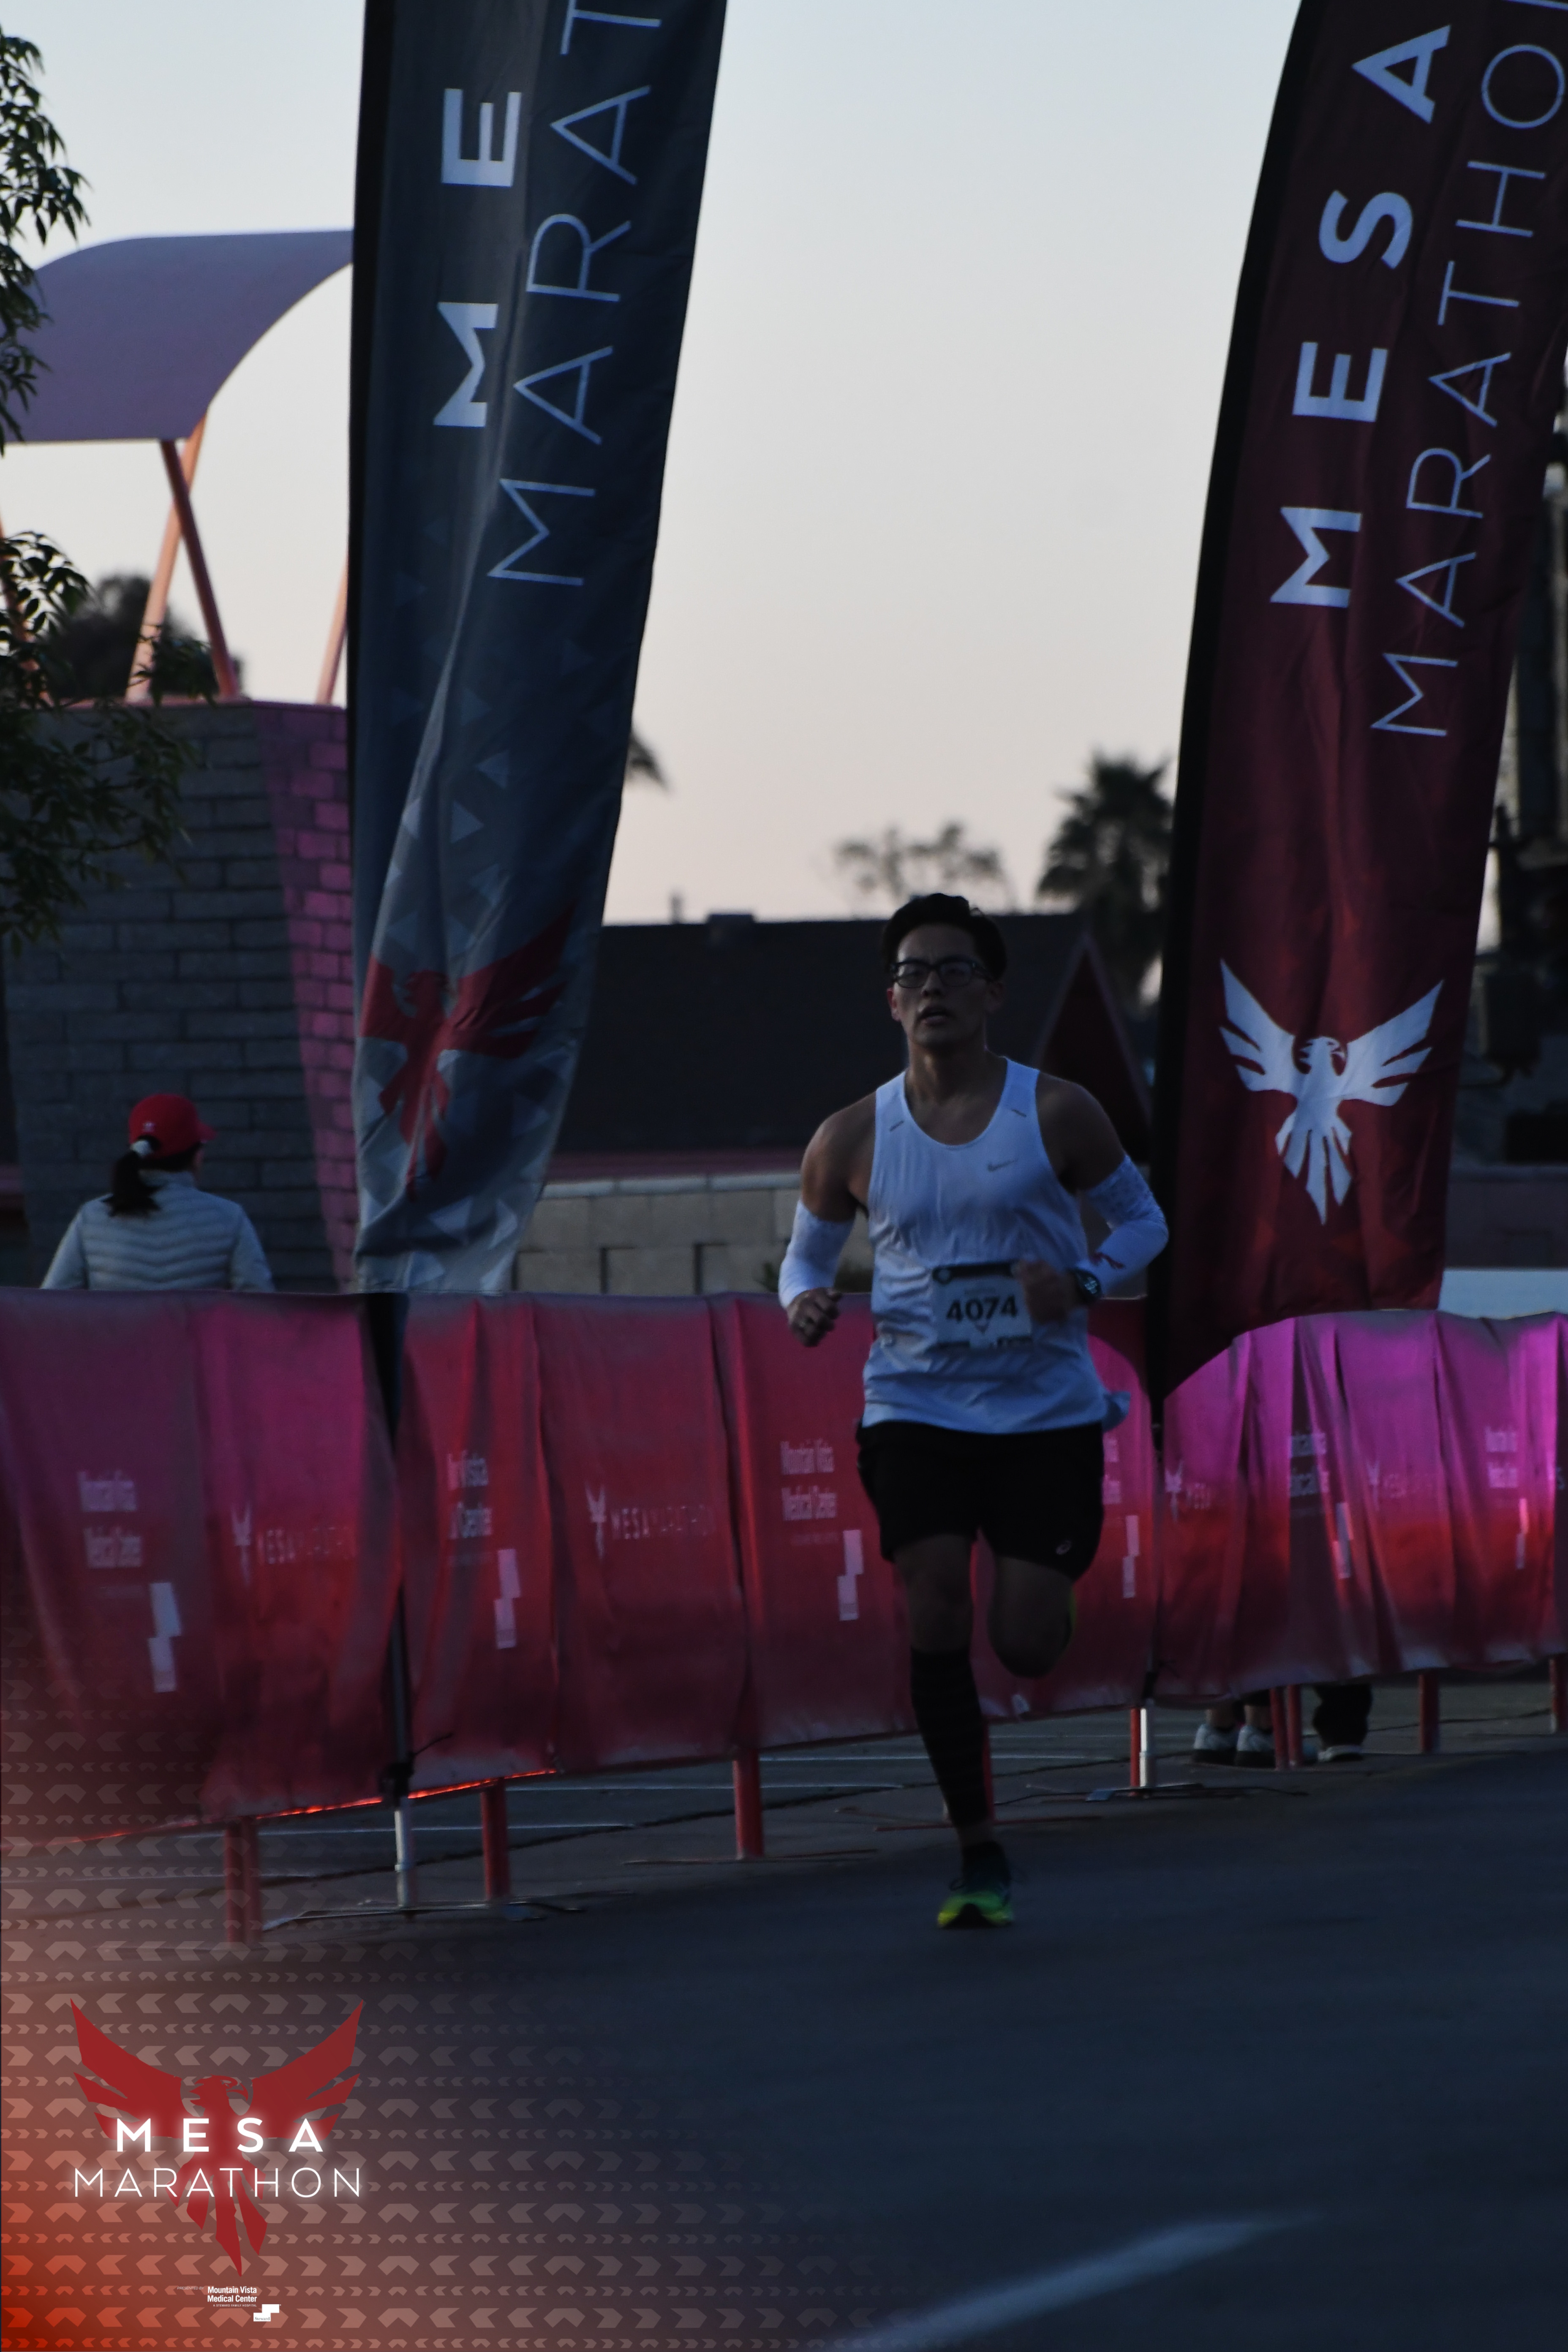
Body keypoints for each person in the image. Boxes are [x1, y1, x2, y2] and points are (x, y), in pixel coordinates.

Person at [780, 895, 1168, 1927]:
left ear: (993, 993)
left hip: (1043, 1410)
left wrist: (1081, 1281)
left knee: (1027, 1642)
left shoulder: (1057, 1113)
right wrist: (802, 1302)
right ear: (890, 1001)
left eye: (954, 971)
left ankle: (1050, 1596)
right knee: (936, 1604)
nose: (932, 989)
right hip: (913, 1404)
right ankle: (975, 1849)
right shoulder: (850, 1135)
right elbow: (804, 1258)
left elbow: (1144, 1224)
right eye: (912, 974)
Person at [43, 1093, 273, 1291]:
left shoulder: (91, 1218)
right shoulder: (229, 1218)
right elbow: (258, 1304)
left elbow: (53, 1303)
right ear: (196, 1155)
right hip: (197, 1334)